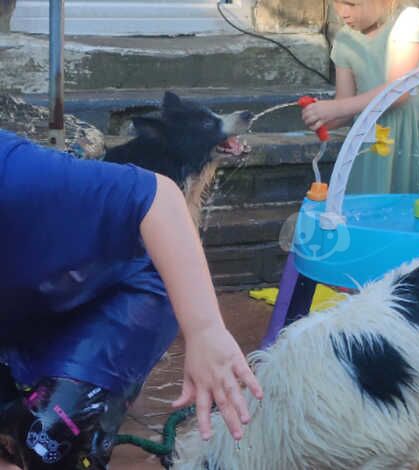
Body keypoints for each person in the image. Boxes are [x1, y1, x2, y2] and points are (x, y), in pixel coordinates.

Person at [0, 129, 262, 469]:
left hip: (121, 291)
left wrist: (205, 329)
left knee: (48, 440)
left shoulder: (17, 173)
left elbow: (158, 198)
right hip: (30, 298)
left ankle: (77, 393)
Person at [302, 0, 419, 194]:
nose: (342, 13)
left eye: (351, 4)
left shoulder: (409, 21)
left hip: (407, 137)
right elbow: (344, 104)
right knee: (368, 202)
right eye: (337, 3)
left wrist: (337, 108)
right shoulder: (345, 39)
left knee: (404, 204)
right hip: (369, 136)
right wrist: (322, 118)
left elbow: (398, 91)